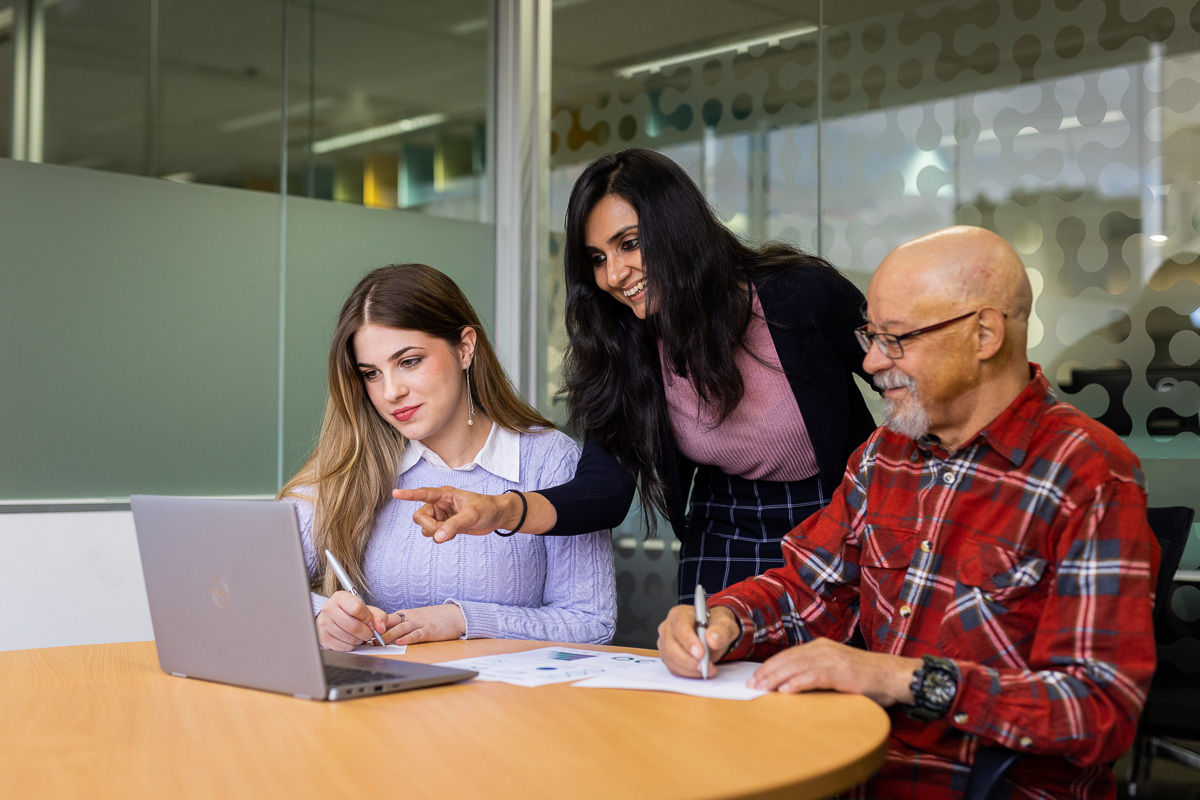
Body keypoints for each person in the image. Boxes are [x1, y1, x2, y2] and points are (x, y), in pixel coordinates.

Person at [657, 226, 1160, 799]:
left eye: (896, 339)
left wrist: (901, 679)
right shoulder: (883, 456)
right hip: (852, 763)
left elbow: (1097, 711)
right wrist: (724, 620)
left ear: (985, 334)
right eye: (870, 335)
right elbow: (807, 591)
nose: (871, 361)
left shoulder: (1088, 473)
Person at [396, 149, 876, 602]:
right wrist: (499, 510)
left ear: (678, 229)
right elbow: (603, 493)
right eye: (598, 259)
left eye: (629, 244)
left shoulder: (800, 295)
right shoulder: (624, 347)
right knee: (715, 678)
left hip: (838, 508)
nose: (614, 275)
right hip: (726, 524)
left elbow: (912, 376)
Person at [278, 263, 615, 650]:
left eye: (409, 362)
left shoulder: (548, 459)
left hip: (505, 705)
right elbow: (251, 577)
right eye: (371, 373)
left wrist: (460, 620)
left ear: (465, 348)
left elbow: (591, 623)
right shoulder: (354, 460)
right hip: (380, 704)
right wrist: (321, 616)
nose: (391, 392)